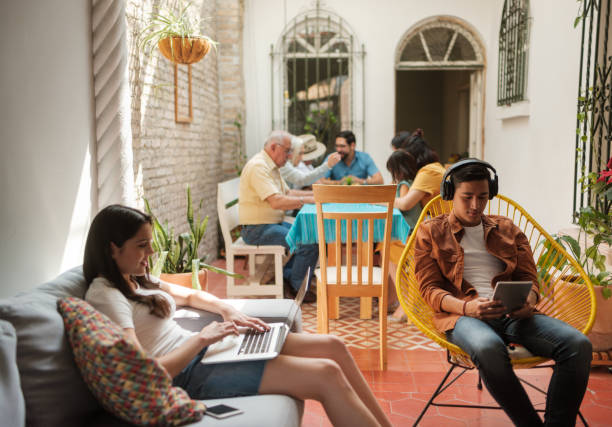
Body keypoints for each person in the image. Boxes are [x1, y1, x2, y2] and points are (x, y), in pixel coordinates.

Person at [83, 205, 392, 427]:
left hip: (207, 352)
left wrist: (230, 312)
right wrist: (203, 338)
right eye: (142, 246)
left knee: (333, 345)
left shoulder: (134, 278)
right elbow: (144, 372)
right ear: (113, 248)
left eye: (150, 244)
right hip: (188, 374)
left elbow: (190, 294)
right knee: (325, 373)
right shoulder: (106, 294)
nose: (150, 253)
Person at [413, 159, 592, 426]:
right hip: (464, 317)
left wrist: (528, 301)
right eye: (467, 197)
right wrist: (468, 308)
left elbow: (529, 278)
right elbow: (429, 289)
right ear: (450, 195)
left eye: (483, 197)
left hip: (514, 314)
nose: (475, 205)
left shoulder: (507, 229)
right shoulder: (431, 232)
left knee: (578, 345)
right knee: (488, 347)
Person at [239, 131, 318, 301]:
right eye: (287, 151)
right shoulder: (259, 167)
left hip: (270, 224)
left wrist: (315, 197)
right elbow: (276, 201)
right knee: (308, 240)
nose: (290, 156)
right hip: (257, 229)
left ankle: (288, 279)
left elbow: (288, 192)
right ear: (274, 147)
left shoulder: (271, 166)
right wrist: (307, 201)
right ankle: (296, 287)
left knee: (312, 236)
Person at [387, 130, 446, 322]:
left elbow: (405, 204)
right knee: (388, 245)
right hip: (441, 226)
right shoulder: (433, 168)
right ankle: (400, 302)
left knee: (389, 248)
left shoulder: (427, 172)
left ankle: (406, 306)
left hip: (444, 232)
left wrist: (380, 201)